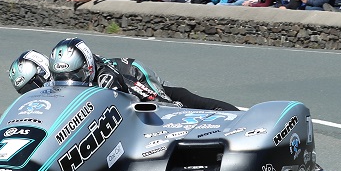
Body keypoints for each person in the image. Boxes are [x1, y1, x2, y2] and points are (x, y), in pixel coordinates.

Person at [45, 38, 238, 110]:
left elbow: (139, 97)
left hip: (134, 76)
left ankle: (232, 114)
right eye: (61, 76)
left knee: (175, 104)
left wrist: (167, 106)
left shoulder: (107, 78)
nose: (68, 81)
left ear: (87, 68)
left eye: (74, 75)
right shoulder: (67, 74)